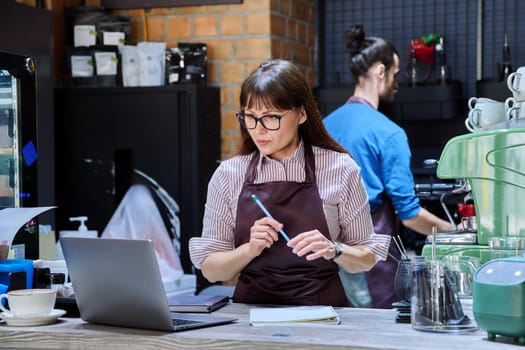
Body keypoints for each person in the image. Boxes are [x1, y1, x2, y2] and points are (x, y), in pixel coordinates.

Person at [189, 59, 390, 306]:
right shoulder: (229, 175)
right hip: (250, 316)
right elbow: (211, 270)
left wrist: (333, 249)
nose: (259, 130)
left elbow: (366, 258)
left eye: (271, 117)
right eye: (250, 117)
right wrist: (249, 249)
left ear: (302, 113)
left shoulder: (340, 169)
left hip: (322, 312)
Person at [323, 24, 456, 309]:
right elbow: (410, 216)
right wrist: (454, 232)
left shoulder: (324, 126)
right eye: (395, 74)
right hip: (369, 254)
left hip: (324, 252)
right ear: (380, 71)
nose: (397, 83)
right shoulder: (389, 133)